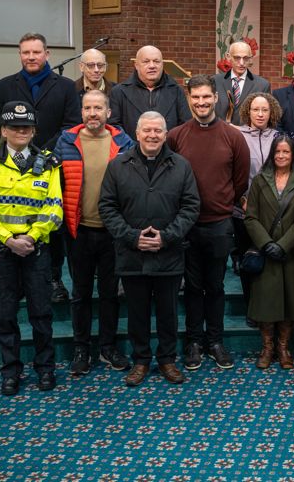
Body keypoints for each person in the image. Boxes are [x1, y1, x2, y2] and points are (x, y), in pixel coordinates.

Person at [99, 111, 200, 387]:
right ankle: (141, 360)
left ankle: (167, 359)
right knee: (137, 312)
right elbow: (107, 207)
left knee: (168, 311)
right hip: (132, 254)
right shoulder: (118, 166)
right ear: (137, 133)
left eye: (158, 130)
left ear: (165, 134)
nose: (152, 135)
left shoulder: (181, 166)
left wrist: (166, 237)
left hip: (169, 253)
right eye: (147, 130)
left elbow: (191, 207)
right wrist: (132, 237)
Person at [0, 101, 64, 396]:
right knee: (6, 316)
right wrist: (8, 239)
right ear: (3, 130)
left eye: (26, 127)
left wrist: (33, 238)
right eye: (14, 127)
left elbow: (55, 208)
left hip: (36, 251)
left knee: (41, 314)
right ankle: (10, 372)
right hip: (1, 251)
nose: (21, 131)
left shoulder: (49, 162)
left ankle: (45, 369)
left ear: (34, 130)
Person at [0, 32, 80, 303]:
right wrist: (17, 155)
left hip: (52, 166)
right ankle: (16, 280)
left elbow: (70, 125)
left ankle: (53, 279)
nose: (31, 57)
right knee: (16, 219)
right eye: (26, 52)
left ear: (47, 54)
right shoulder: (4, 85)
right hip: (13, 169)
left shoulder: (65, 86)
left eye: (36, 52)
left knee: (52, 226)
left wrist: (42, 155)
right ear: (20, 55)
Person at [167, 75, 250, 371]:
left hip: (219, 224)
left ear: (216, 98)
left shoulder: (233, 136)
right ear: (189, 99)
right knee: (192, 287)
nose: (201, 102)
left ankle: (215, 341)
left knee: (215, 286)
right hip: (186, 225)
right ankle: (193, 342)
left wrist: (224, 203)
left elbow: (240, 181)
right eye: (195, 97)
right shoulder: (176, 136)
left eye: (206, 97)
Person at [55, 90, 134, 375]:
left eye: (98, 108)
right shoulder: (66, 142)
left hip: (113, 232)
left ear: (108, 113)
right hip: (78, 231)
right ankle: (81, 348)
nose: (92, 113)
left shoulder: (124, 143)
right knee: (81, 293)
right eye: (87, 108)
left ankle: (108, 347)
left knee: (110, 293)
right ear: (81, 111)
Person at [244, 135, 294, 370]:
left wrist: (283, 245)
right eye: (278, 152)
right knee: (266, 302)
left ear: (293, 155)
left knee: (289, 302)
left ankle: (283, 348)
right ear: (272, 154)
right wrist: (266, 243)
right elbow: (250, 217)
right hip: (265, 252)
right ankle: (267, 347)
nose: (281, 156)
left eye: (286, 152)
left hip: (290, 253)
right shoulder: (260, 180)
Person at [234, 92, 283, 310]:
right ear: (248, 112)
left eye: (265, 110)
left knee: (270, 262)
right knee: (249, 260)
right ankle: (250, 307)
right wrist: (242, 199)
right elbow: (232, 172)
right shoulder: (237, 136)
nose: (260, 114)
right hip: (244, 209)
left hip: (274, 211)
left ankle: (268, 308)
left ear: (271, 112)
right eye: (256, 109)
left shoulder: (278, 137)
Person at [109, 45, 192, 138]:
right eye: (146, 61)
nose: (152, 66)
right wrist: (132, 149)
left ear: (162, 64)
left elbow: (185, 126)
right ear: (136, 65)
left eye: (156, 61)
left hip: (168, 150)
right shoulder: (119, 92)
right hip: (132, 150)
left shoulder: (176, 91)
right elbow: (114, 127)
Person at [215, 40, 271, 125]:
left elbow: (266, 116)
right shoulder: (215, 81)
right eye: (237, 58)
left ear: (250, 58)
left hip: (248, 136)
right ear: (228, 57)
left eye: (245, 58)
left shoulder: (262, 85)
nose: (241, 63)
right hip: (219, 134)